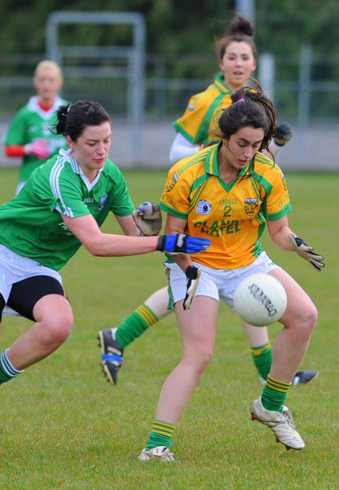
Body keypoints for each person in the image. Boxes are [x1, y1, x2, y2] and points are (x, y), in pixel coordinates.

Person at [0, 100, 210, 457]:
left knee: (59, 324)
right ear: (70, 142)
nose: (102, 149)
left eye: (107, 140)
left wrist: (155, 235)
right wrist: (161, 242)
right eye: (92, 143)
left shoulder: (112, 177)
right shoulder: (60, 176)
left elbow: (135, 237)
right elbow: (96, 243)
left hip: (35, 264)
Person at [97, 14, 317, 388]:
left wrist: (275, 145)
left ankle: (272, 375)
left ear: (253, 62)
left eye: (245, 58)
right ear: (221, 62)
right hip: (201, 205)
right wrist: (213, 157)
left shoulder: (255, 100)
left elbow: (258, 162)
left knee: (246, 291)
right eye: (232, 57)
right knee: (202, 284)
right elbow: (177, 153)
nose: (239, 64)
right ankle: (271, 375)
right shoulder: (207, 100)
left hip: (234, 209)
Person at [138, 83, 324, 461]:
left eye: (256, 145)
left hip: (247, 264)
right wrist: (188, 271)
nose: (248, 153)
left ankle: (270, 405)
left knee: (305, 316)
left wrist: (298, 244)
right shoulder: (187, 172)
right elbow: (172, 237)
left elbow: (279, 232)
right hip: (196, 265)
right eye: (241, 143)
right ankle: (157, 446)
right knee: (200, 354)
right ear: (223, 137)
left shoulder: (266, 171)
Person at [4, 60, 68, 195]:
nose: (46, 84)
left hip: (63, 180)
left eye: (51, 80)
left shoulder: (69, 112)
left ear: (59, 83)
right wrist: (29, 148)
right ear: (35, 82)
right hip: (30, 180)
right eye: (42, 80)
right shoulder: (25, 114)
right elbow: (9, 149)